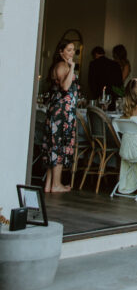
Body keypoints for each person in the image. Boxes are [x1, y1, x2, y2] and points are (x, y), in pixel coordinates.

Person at [43, 40, 79, 193]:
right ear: (61, 52)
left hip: (60, 111)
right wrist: (72, 67)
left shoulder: (60, 66)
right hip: (61, 113)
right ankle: (56, 184)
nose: (72, 53)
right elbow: (65, 87)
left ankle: (49, 184)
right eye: (69, 50)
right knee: (58, 146)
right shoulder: (62, 66)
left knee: (54, 146)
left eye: (73, 50)